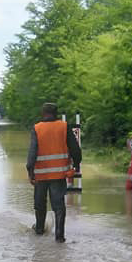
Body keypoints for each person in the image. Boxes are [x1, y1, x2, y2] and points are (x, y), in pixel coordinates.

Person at [26, 103, 82, 242]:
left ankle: (39, 231)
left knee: (40, 204)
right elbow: (75, 150)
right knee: (58, 206)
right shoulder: (64, 126)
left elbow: (32, 153)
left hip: (41, 175)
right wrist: (75, 167)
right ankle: (59, 236)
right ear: (56, 113)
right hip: (59, 175)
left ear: (42, 113)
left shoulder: (37, 128)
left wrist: (30, 171)